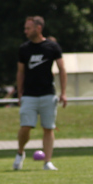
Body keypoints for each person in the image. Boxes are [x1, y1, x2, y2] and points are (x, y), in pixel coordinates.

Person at [13, 15, 67, 171]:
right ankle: (20, 152)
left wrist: (63, 93)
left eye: (28, 28)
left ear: (38, 28)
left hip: (48, 94)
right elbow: (20, 72)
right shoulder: (24, 49)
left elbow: (62, 69)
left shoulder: (52, 47)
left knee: (48, 128)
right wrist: (19, 93)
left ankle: (47, 162)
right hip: (29, 95)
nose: (25, 31)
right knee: (25, 127)